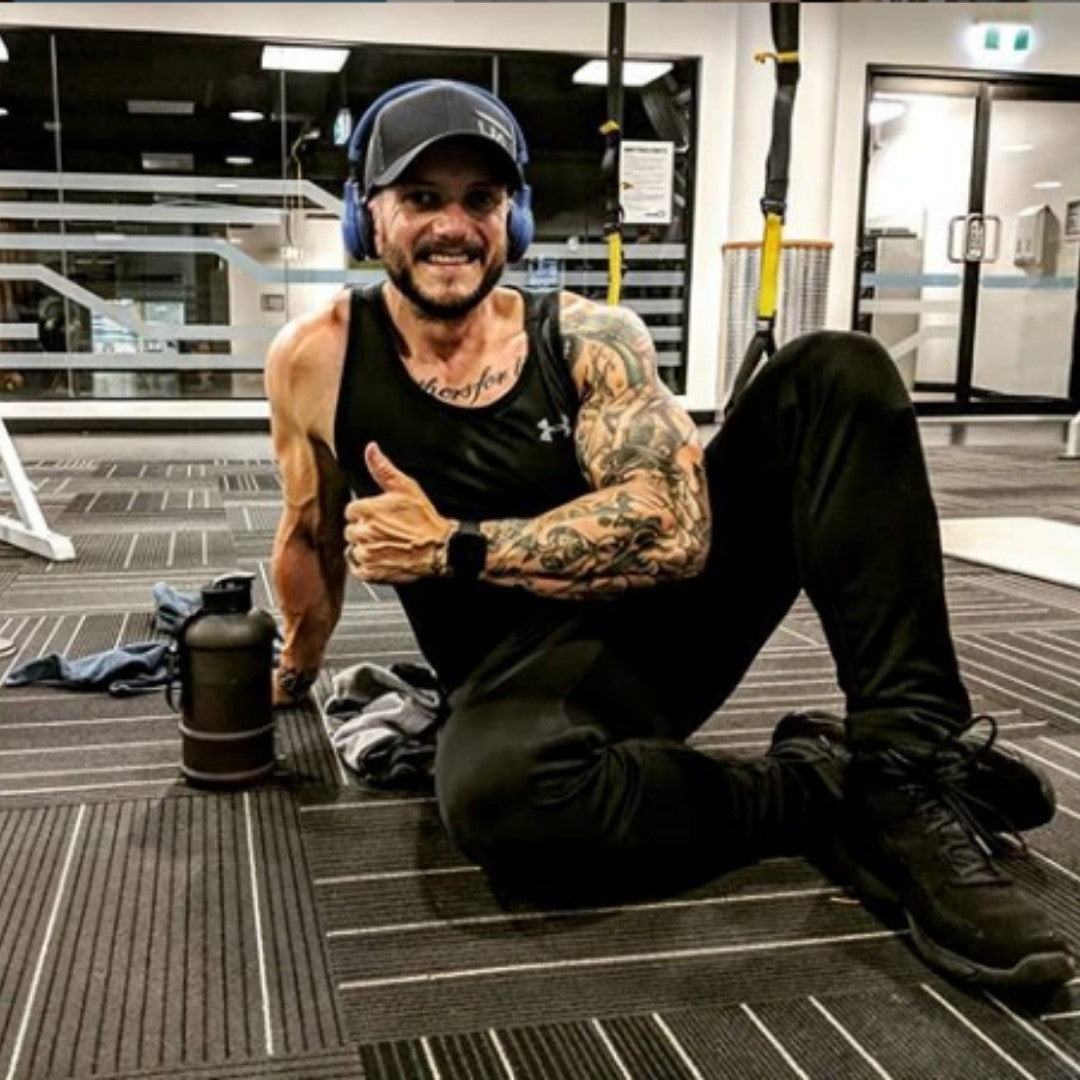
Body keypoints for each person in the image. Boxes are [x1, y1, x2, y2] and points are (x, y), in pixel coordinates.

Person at [266, 79, 1073, 990]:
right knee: (501, 806)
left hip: (662, 632)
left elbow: (678, 532)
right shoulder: (315, 361)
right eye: (421, 198)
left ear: (514, 218)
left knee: (834, 372)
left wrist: (456, 545)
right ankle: (831, 785)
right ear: (364, 216)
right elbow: (309, 532)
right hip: (511, 690)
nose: (453, 225)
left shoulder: (587, 336)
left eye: (480, 200)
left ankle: (911, 763)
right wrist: (293, 668)